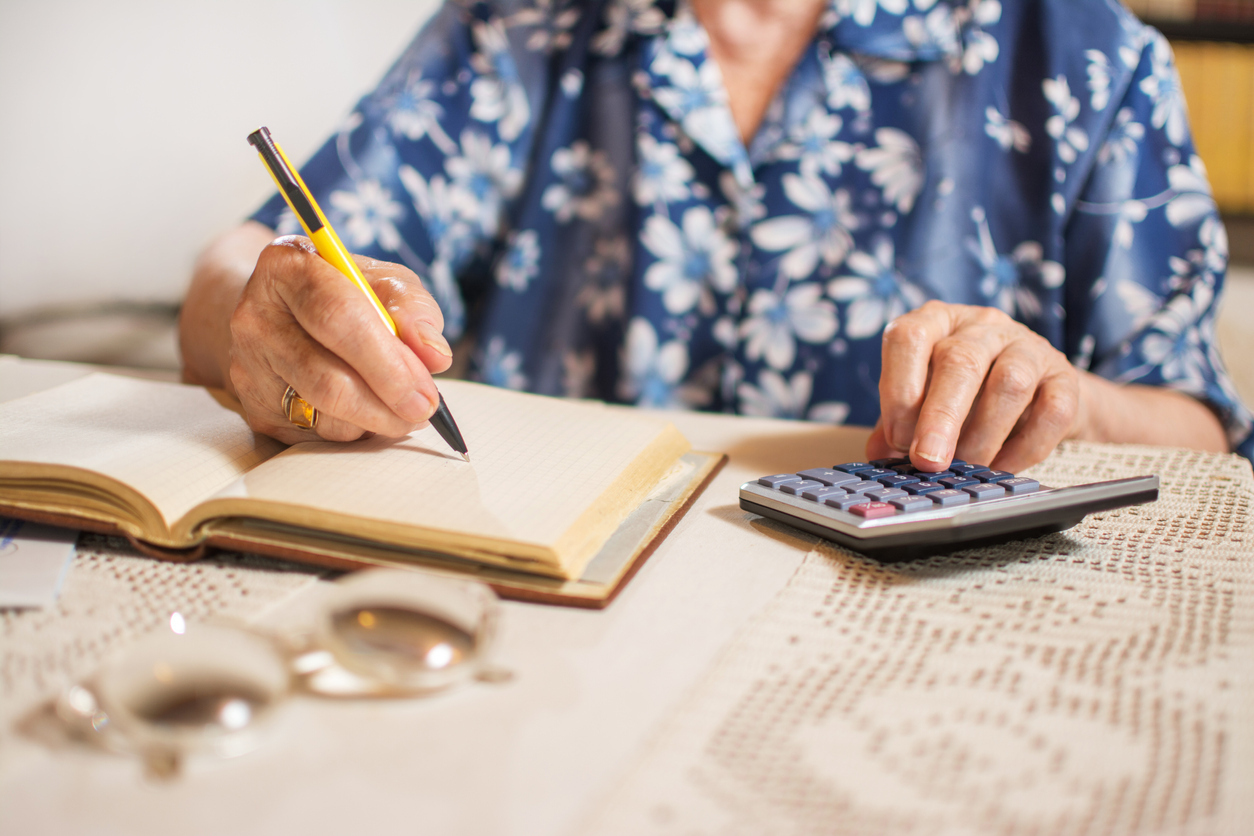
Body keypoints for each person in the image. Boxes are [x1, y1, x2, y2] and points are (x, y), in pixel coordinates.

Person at [180, 0, 1253, 472]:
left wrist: (1053, 396)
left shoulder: (1087, 55)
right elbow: (248, 262)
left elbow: (1202, 428)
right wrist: (266, 307)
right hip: (544, 634)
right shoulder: (517, 22)